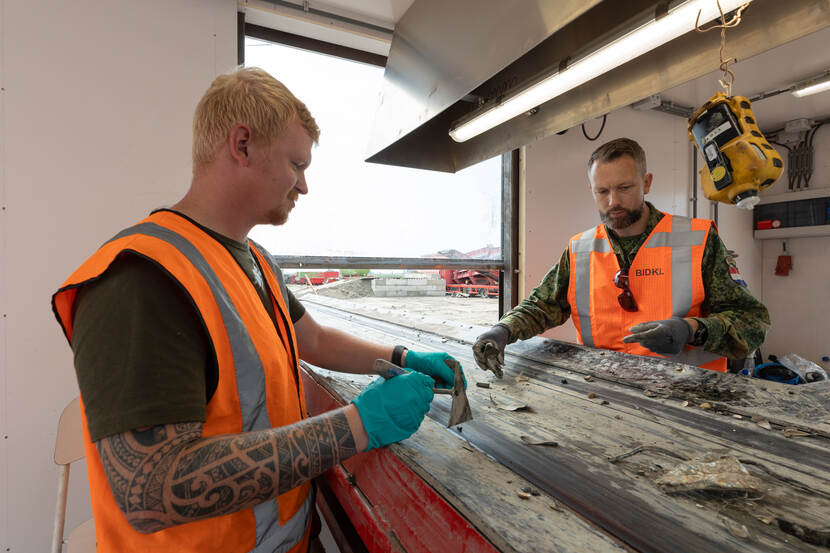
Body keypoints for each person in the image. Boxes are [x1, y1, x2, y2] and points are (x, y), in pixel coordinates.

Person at [52, 67, 463, 553]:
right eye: (296, 164)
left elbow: (312, 339)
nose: (304, 186)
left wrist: (402, 356)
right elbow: (151, 490)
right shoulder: (142, 279)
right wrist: (358, 425)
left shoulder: (256, 261)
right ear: (242, 145)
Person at [474, 137, 769, 375]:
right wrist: (503, 330)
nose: (613, 201)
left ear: (647, 183)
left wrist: (691, 329)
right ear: (591, 190)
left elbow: (751, 323)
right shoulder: (580, 249)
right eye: (602, 191)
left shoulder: (698, 239)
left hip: (688, 396)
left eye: (624, 188)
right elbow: (542, 306)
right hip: (605, 393)